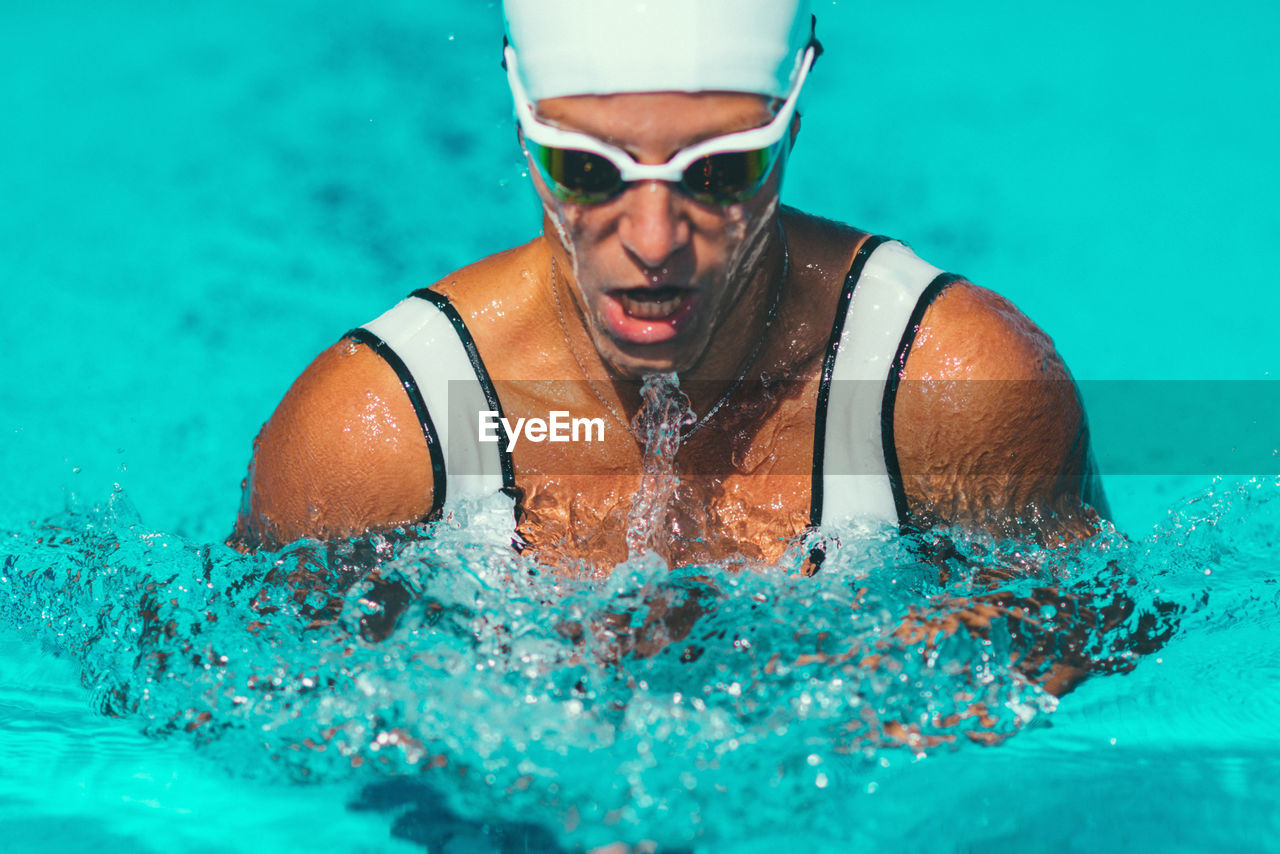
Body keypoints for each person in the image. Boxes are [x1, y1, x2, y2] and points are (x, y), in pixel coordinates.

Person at [229, 0, 1107, 572]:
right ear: (525, 142)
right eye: (587, 168)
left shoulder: (953, 392)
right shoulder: (374, 434)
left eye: (722, 171)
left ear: (792, 129)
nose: (653, 242)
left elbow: (1078, 669)